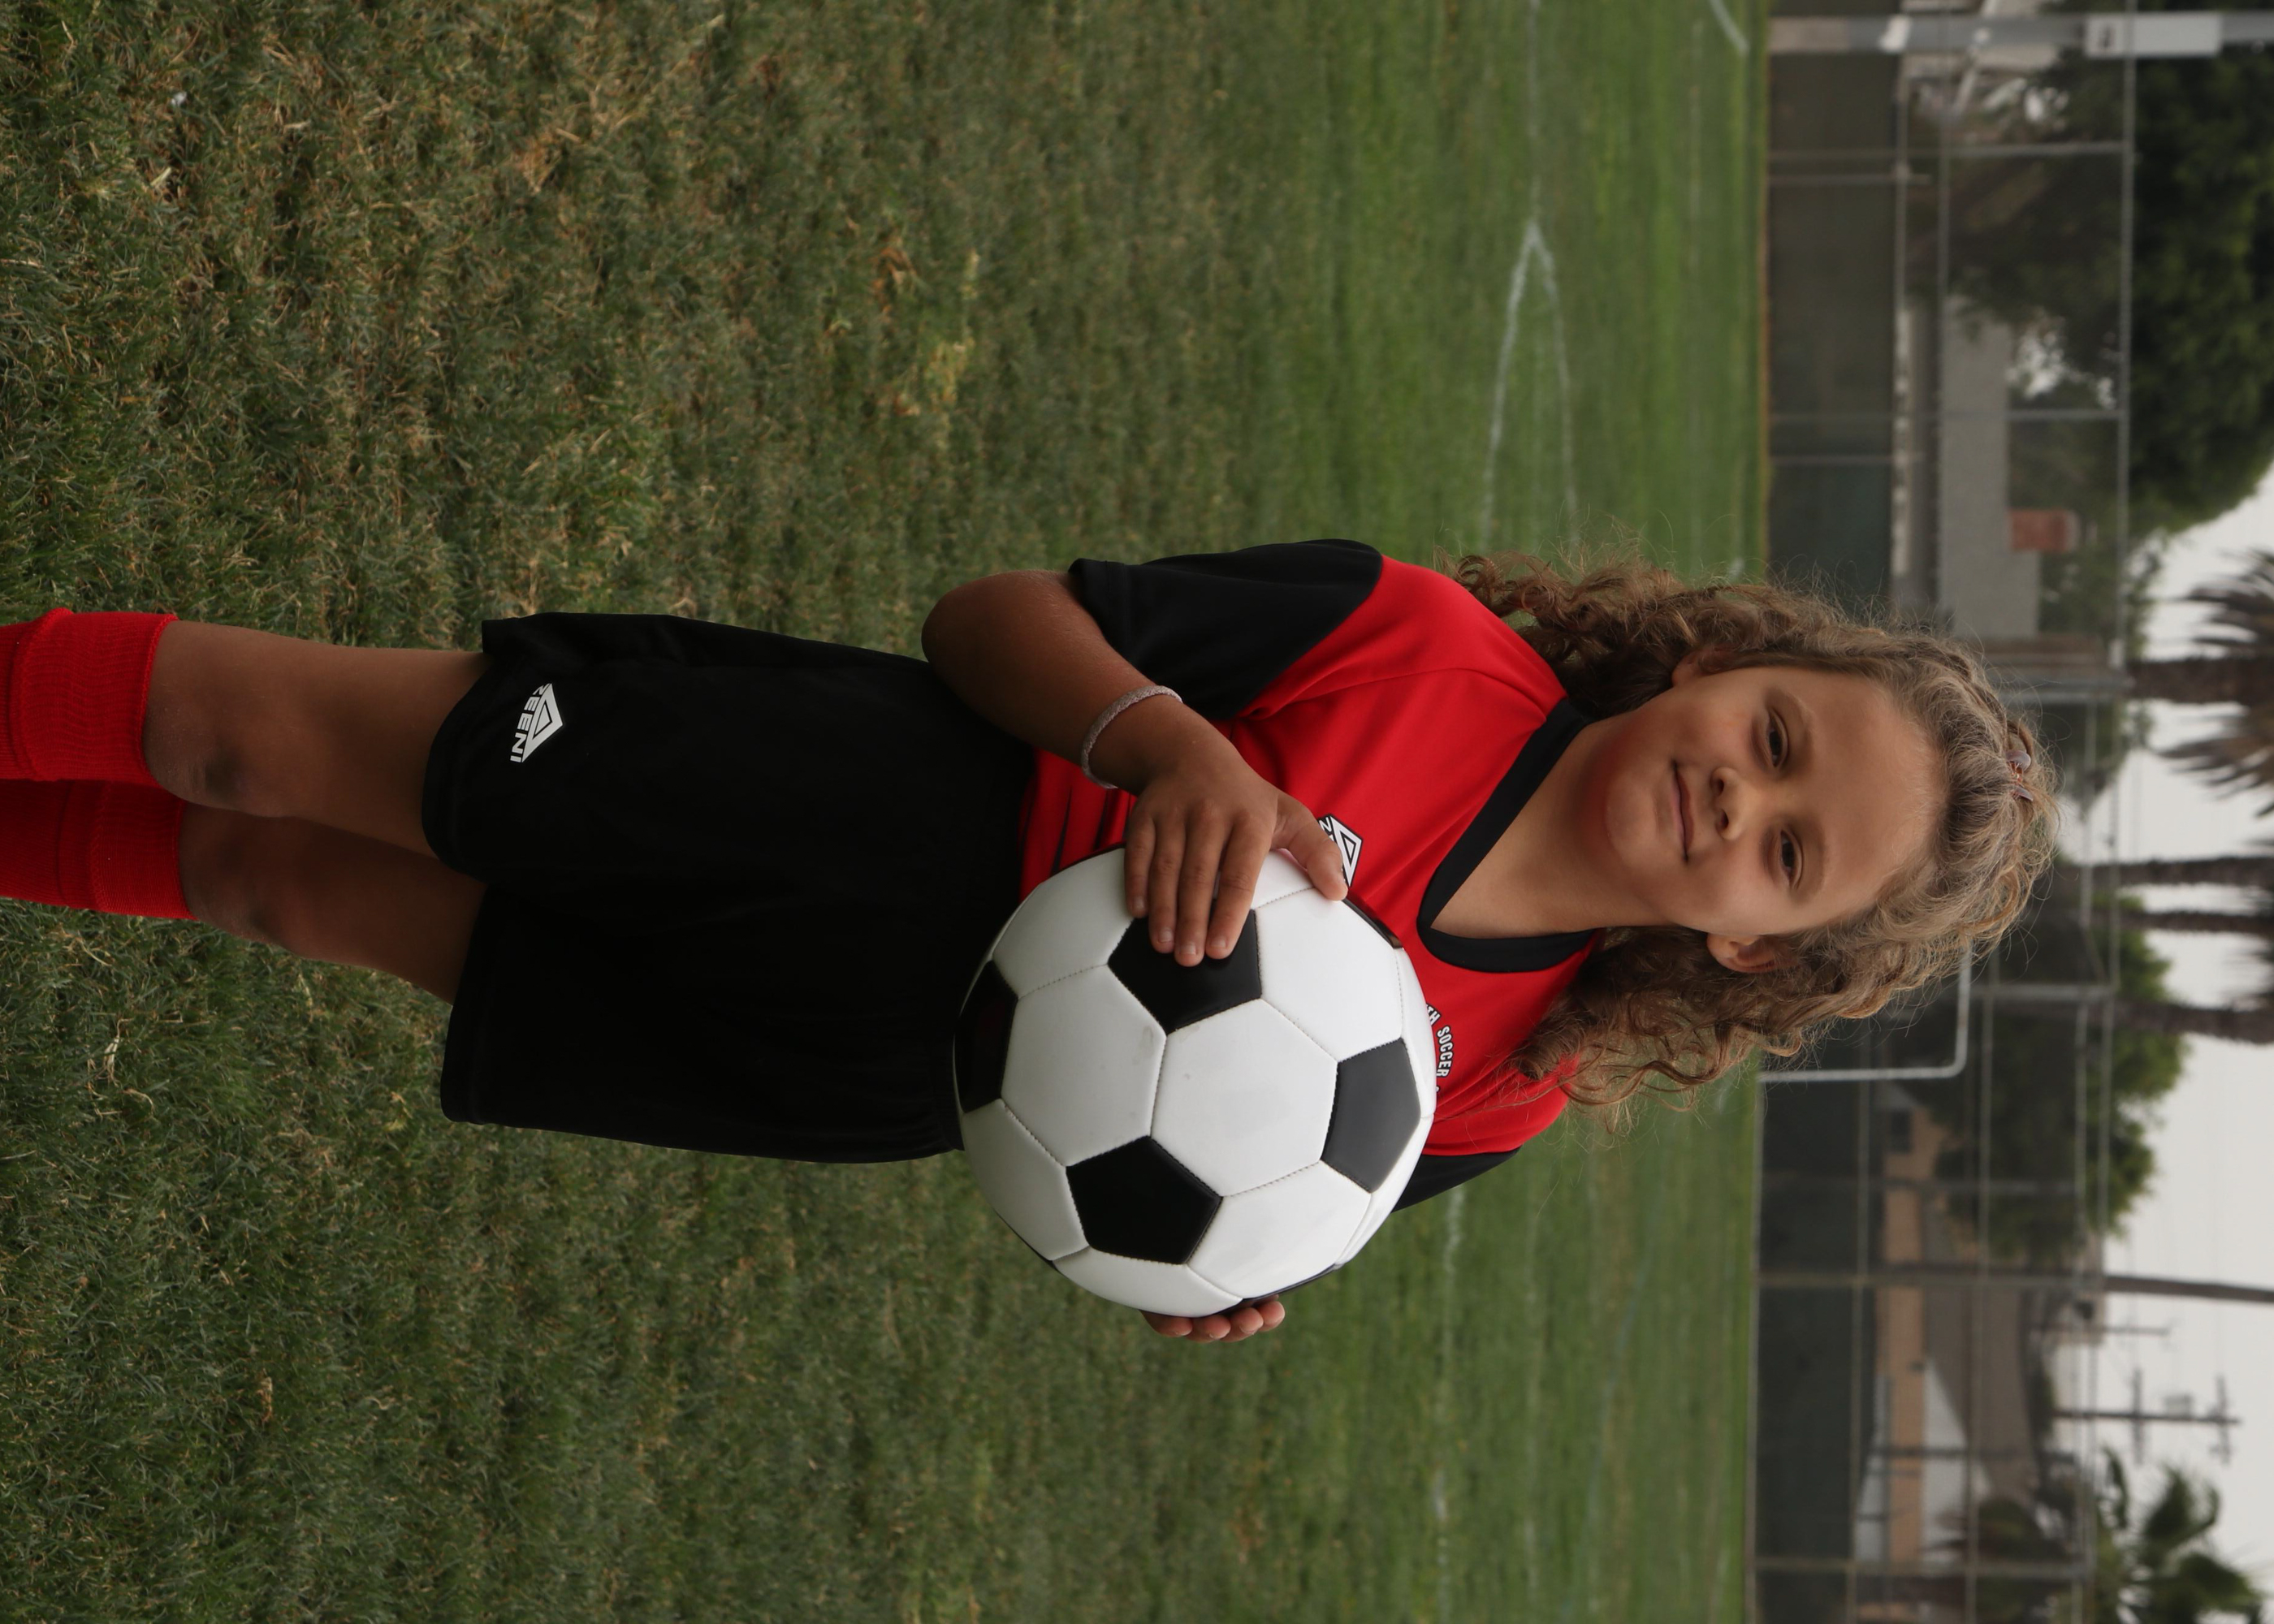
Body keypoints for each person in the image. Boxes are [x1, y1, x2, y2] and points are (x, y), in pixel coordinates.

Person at [0, 539, 2054, 1343]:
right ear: (1714, 658)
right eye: (1772, 738)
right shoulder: (1418, 645)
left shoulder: (1494, 1091)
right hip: (838, 796)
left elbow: (1259, 1183)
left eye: (1788, 854)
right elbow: (991, 619)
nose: (1735, 801)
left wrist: (1215, 1274)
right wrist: (1163, 743)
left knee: (276, 885)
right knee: (252, 747)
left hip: (855, 1063)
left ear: (1759, 956)